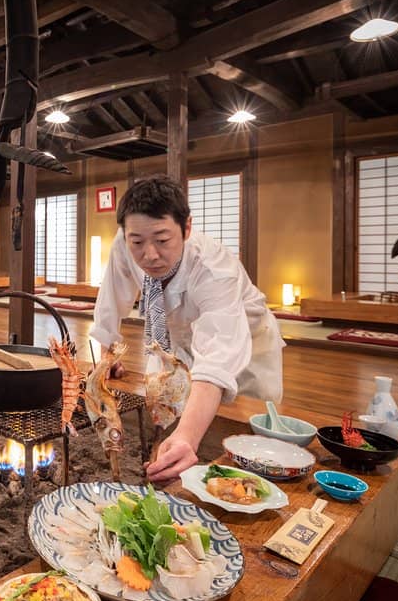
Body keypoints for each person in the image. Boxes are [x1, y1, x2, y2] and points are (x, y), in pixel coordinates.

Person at [90, 175, 284, 484]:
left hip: (241, 333)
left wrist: (188, 437)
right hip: (174, 331)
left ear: (187, 228)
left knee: (244, 423)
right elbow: (112, 296)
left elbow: (217, 359)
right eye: (137, 242)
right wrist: (107, 352)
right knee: (167, 398)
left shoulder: (213, 268)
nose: (149, 255)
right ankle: (171, 453)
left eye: (163, 240)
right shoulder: (125, 243)